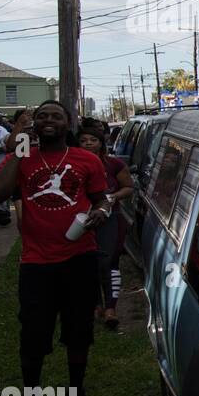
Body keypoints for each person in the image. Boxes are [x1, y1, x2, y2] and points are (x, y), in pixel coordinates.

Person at [0, 101, 110, 396]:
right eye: (42, 116)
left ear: (68, 123)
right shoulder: (21, 160)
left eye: (56, 116)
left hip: (79, 257)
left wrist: (101, 212)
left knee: (78, 330)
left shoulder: (86, 160)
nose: (49, 120)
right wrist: (20, 152)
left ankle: (76, 395)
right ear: (34, 124)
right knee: (33, 332)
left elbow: (102, 199)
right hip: (36, 262)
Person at [76, 123, 134, 330]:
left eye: (93, 140)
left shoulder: (114, 165)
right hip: (81, 221)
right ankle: (95, 304)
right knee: (87, 264)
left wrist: (113, 197)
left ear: (102, 143)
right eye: (83, 141)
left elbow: (128, 187)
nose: (89, 144)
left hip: (110, 219)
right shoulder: (71, 167)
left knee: (109, 262)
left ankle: (111, 308)